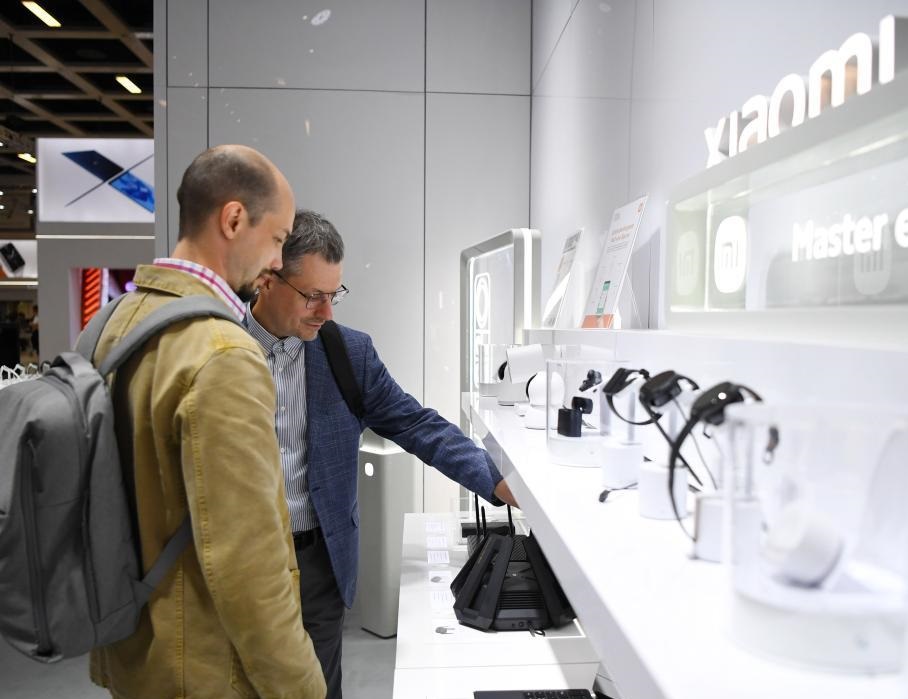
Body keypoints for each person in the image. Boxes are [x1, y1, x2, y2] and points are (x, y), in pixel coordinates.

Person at [245, 209, 518, 698]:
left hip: (318, 563)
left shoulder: (348, 353)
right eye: (312, 296)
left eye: (334, 296)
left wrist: (497, 479)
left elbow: (415, 423)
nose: (326, 312)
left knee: (317, 688)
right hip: (239, 562)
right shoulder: (216, 349)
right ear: (267, 278)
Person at [89, 146, 326, 699]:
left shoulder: (114, 323)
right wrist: (304, 689)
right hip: (204, 669)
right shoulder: (223, 354)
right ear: (234, 219)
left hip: (133, 652)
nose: (278, 261)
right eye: (277, 238)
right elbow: (249, 568)